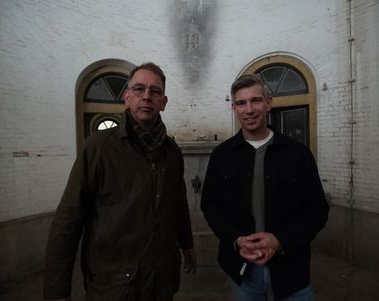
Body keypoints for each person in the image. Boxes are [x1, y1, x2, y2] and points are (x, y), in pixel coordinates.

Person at [43, 62, 197, 301]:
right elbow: (68, 218)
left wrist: (187, 244)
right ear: (126, 98)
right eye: (139, 89)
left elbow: (178, 203)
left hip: (161, 282)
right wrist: (56, 291)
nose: (146, 96)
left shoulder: (172, 151)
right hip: (114, 286)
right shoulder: (99, 147)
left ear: (163, 102)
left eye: (155, 91)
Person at [201, 74, 329, 301]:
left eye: (256, 100)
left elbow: (317, 209)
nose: (249, 109)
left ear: (268, 103)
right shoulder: (222, 155)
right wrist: (236, 239)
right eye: (241, 103)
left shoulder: (297, 153)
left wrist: (280, 240)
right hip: (242, 269)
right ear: (234, 108)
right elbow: (210, 206)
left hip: (291, 268)